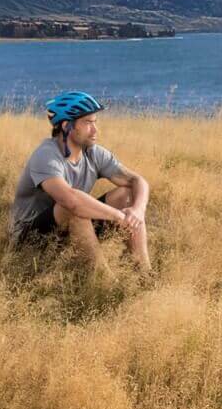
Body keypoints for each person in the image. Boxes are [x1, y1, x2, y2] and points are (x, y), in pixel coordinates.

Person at [10, 91, 151, 276]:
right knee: (73, 207)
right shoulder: (46, 156)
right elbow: (71, 201)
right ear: (67, 126)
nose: (95, 130)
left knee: (127, 195)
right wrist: (119, 217)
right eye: (87, 123)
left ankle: (145, 274)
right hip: (32, 240)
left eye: (95, 122)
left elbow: (137, 181)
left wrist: (137, 211)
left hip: (71, 227)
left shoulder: (93, 153)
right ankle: (104, 281)